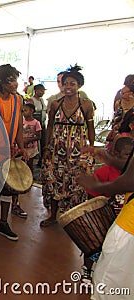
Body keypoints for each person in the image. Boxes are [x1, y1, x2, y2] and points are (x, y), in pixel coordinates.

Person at [78, 143, 134, 299]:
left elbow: (131, 180)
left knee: (107, 289)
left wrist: (97, 185)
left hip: (129, 230)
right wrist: (111, 160)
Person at [40, 65, 95, 226]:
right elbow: (49, 126)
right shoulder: (56, 104)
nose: (68, 87)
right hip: (57, 149)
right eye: (65, 84)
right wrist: (47, 147)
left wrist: (91, 149)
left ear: (79, 85)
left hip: (77, 150)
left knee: (76, 183)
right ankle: (53, 216)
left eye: (72, 84)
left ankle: (74, 217)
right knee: (55, 181)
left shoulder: (86, 105)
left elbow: (90, 129)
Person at [0, 64, 29, 241]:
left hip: (9, 152)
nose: (15, 84)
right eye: (11, 80)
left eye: (16, 79)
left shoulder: (18, 99)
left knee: (8, 188)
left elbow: (18, 124)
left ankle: (3, 222)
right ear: (2, 82)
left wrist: (21, 146)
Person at [27, 84, 47, 165]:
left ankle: (42, 159)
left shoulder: (42, 100)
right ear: (36, 91)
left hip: (42, 123)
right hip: (34, 123)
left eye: (43, 91)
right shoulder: (31, 100)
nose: (42, 92)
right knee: (36, 142)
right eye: (41, 90)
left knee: (43, 141)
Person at [22, 102, 41, 172]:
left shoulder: (36, 123)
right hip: (22, 147)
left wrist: (28, 140)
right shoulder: (21, 121)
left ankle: (30, 177)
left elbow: (39, 136)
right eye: (23, 111)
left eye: (25, 110)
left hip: (31, 147)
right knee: (22, 163)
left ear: (31, 111)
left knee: (30, 164)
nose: (23, 112)